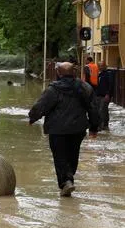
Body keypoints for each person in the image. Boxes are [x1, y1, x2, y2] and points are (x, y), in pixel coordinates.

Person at [29, 61, 100, 197]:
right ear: (74, 72)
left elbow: (41, 106)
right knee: (73, 155)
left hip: (57, 130)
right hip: (78, 129)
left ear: (58, 73)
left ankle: (66, 181)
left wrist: (32, 118)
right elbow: (93, 108)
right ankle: (69, 179)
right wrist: (94, 127)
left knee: (60, 156)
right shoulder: (85, 87)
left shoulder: (53, 89)